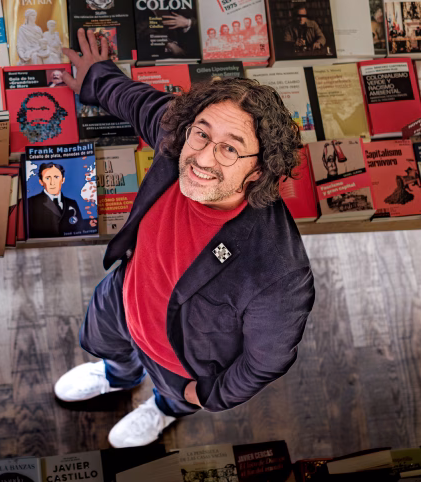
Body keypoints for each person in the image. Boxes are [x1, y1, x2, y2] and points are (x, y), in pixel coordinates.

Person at [53, 29, 314, 448]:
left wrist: (205, 395)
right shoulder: (182, 139)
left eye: (231, 149)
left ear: (260, 170)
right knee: (109, 347)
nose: (203, 157)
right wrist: (96, 77)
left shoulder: (280, 273)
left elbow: (267, 361)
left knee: (173, 394)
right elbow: (142, 104)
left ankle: (164, 409)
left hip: (178, 357)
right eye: (203, 134)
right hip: (124, 298)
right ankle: (118, 376)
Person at [27, 162, 85, 238]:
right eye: (47, 178)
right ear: (41, 182)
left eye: (56, 177)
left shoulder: (72, 203)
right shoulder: (31, 203)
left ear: (63, 180)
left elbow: (79, 229)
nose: (52, 182)